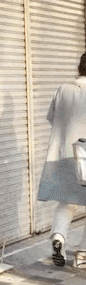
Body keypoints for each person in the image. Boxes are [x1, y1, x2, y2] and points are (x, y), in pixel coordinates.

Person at [38, 53, 86, 267]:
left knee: (67, 202)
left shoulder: (63, 89)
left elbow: (52, 117)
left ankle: (59, 237)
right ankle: (83, 254)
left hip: (65, 154)